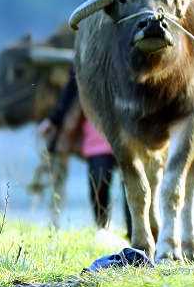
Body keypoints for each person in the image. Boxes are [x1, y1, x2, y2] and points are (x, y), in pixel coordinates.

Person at [38, 67, 131, 237]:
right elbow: (72, 87)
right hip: (98, 127)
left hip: (132, 126)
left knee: (134, 185)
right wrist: (54, 120)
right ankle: (103, 229)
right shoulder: (87, 50)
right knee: (98, 180)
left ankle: (135, 235)